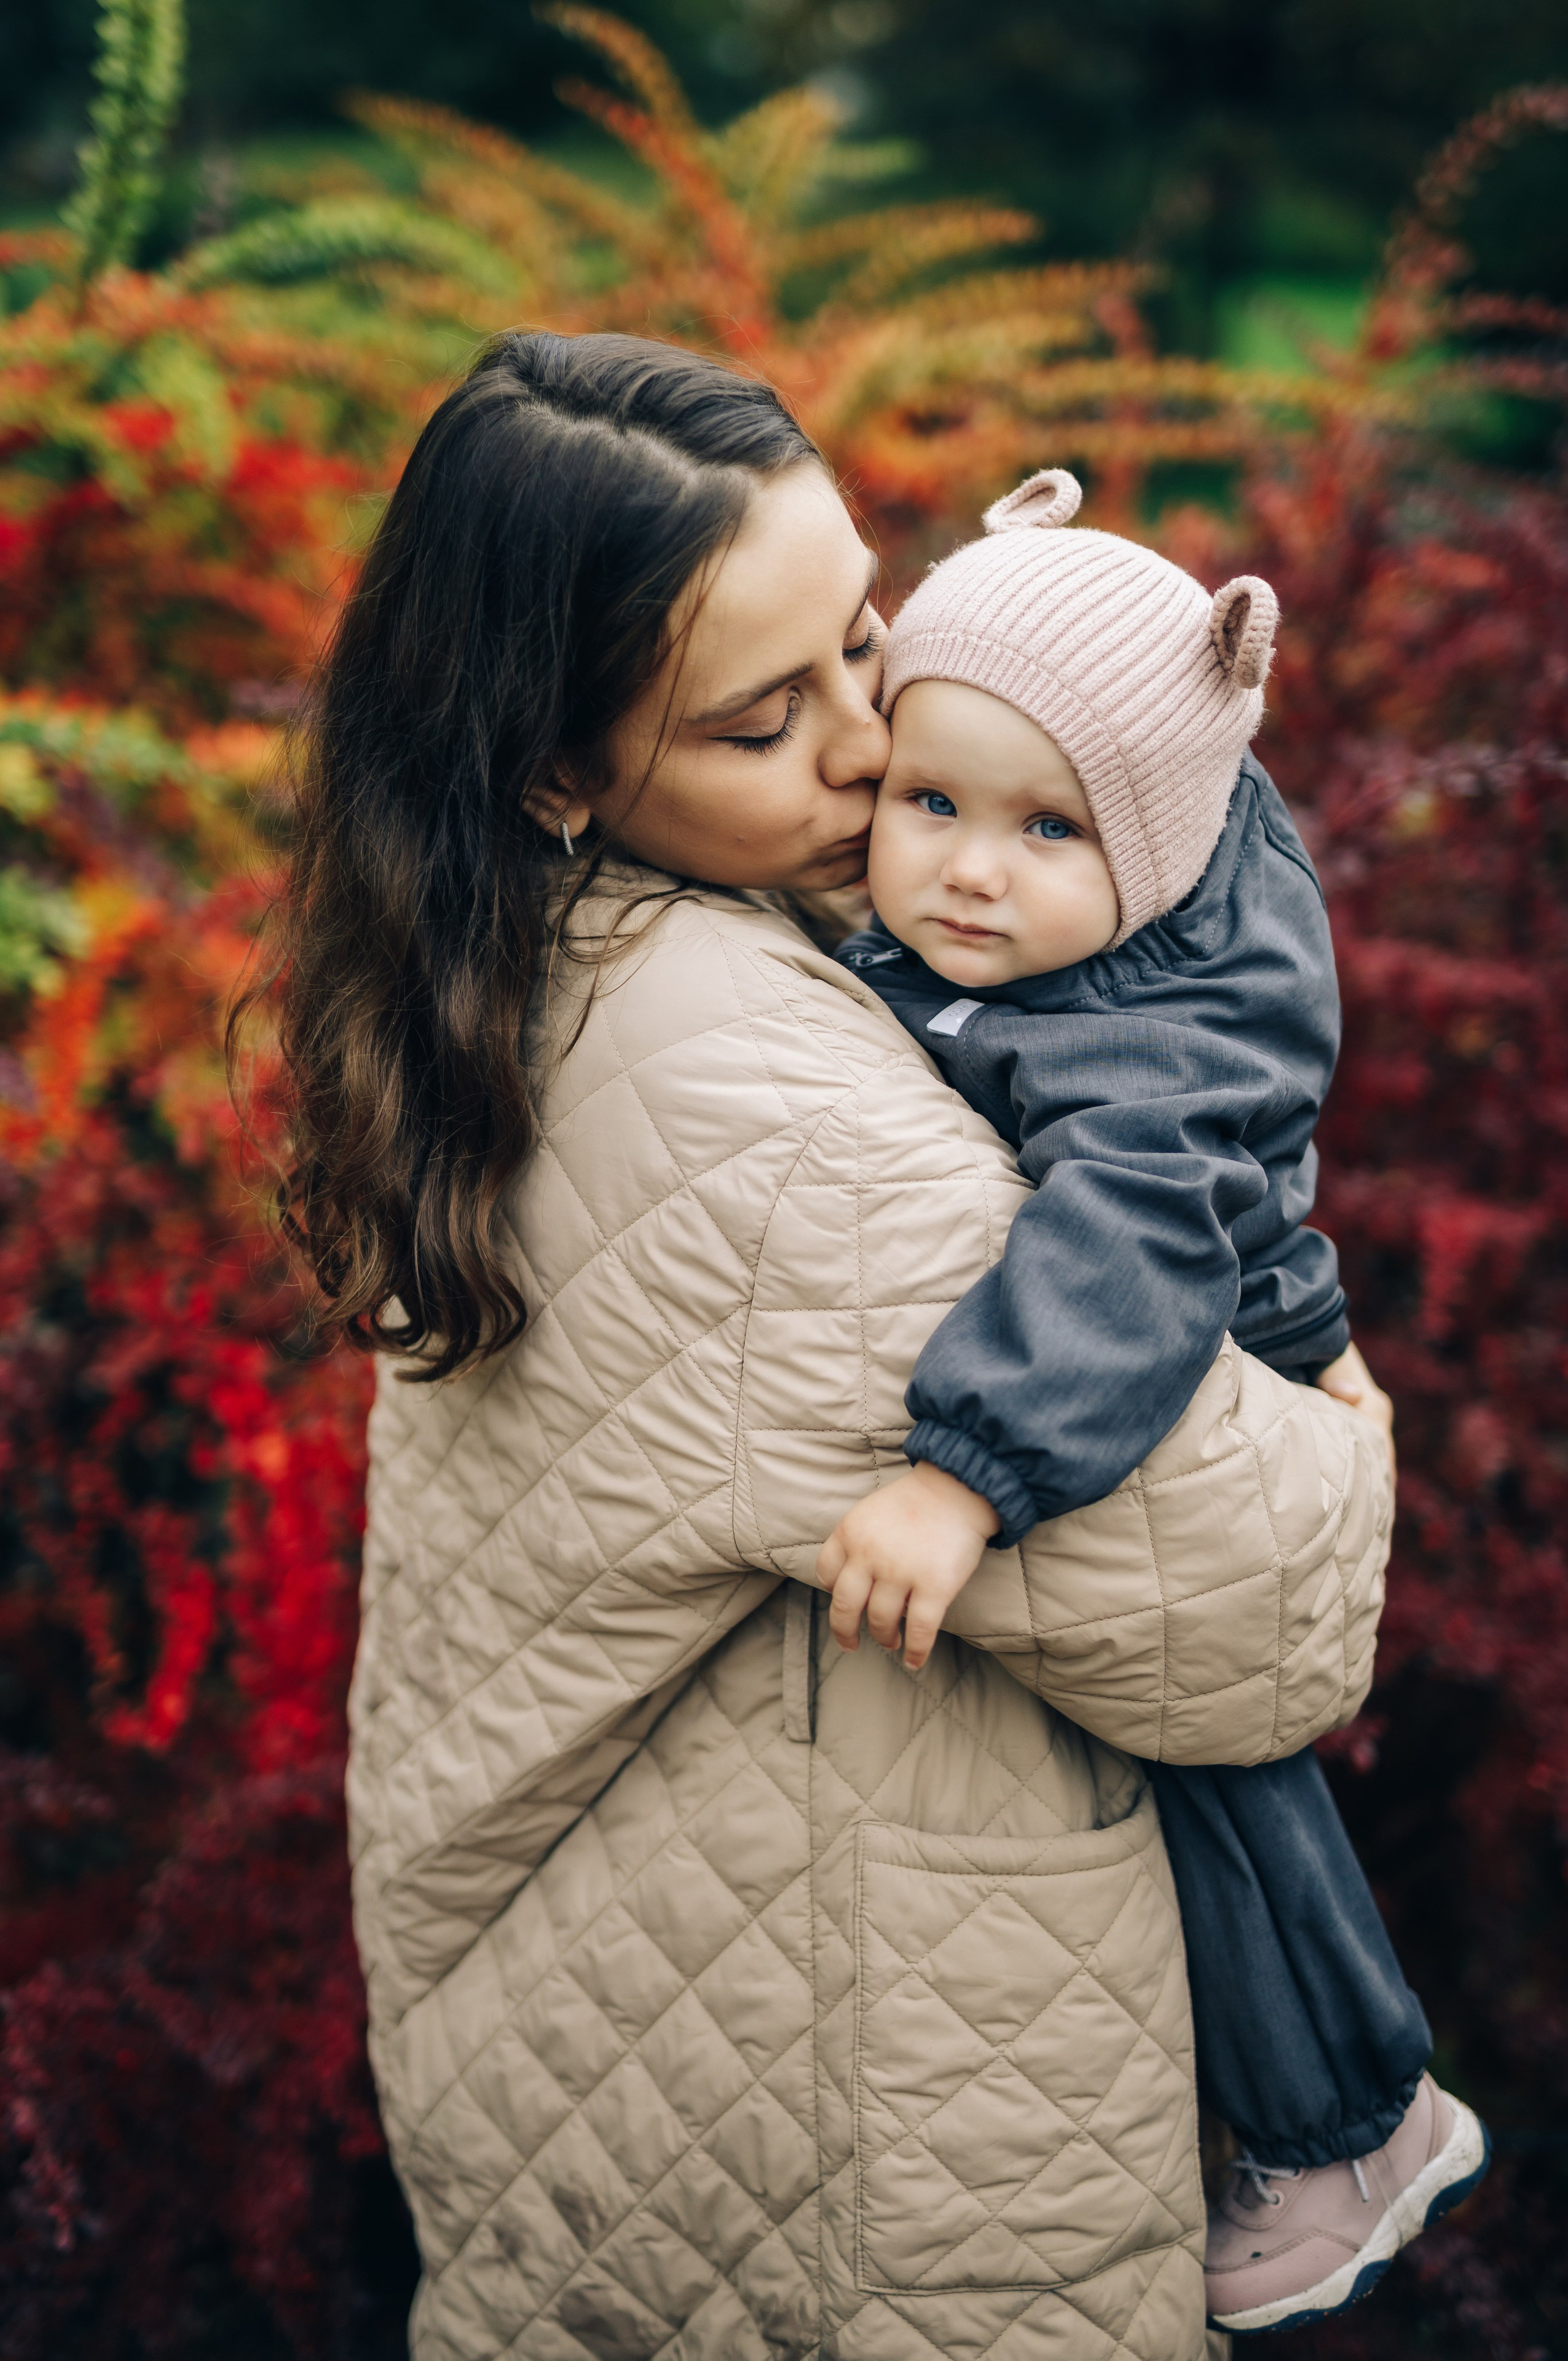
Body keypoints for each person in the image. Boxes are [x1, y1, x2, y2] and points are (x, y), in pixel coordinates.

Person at [253, 329, 1394, 2359]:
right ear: (556, 769)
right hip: (843, 2169)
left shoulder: (543, 952)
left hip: (678, 2041)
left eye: (869, 642)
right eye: (768, 719)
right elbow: (1275, 1614)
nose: (877, 746)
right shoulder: (753, 1105)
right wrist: (1332, 1388)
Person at [820, 467, 1490, 2333]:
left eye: (1047, 832)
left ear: (1164, 849)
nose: (968, 866)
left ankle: (1354, 2119)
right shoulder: (1044, 937)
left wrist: (963, 1474)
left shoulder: (1156, 1054)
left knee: (1215, 1772)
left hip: (1184, 1363)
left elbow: (1120, 1253)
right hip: (1130, 1350)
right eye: (928, 803)